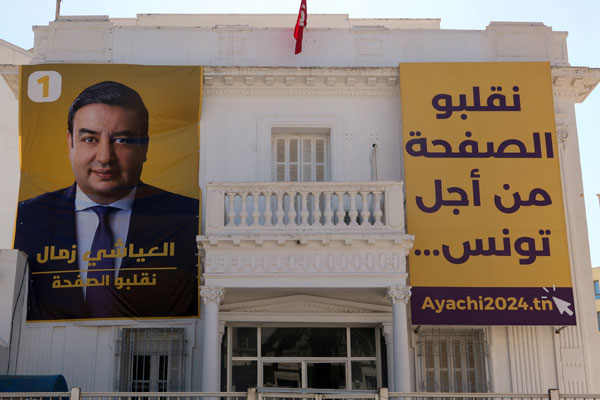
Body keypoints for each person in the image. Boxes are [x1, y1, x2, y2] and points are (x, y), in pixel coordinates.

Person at [14, 81, 199, 321]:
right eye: (90, 139)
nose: (104, 157)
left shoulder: (188, 218)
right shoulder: (27, 217)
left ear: (144, 147)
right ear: (70, 143)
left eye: (121, 140)